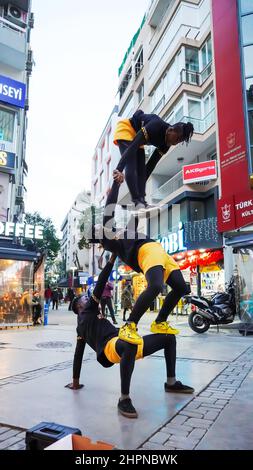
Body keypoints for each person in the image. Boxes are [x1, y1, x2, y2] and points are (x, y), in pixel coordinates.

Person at [65, 256, 194, 418]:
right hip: (111, 348)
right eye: (85, 297)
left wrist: (75, 382)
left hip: (123, 341)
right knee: (128, 344)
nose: (88, 297)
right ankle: (124, 399)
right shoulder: (88, 310)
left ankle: (171, 383)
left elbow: (78, 354)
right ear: (79, 306)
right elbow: (101, 282)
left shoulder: (81, 328)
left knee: (168, 338)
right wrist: (112, 259)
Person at [91, 175, 190, 345]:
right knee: (156, 286)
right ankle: (129, 325)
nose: (99, 225)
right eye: (97, 227)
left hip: (160, 251)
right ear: (99, 236)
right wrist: (116, 185)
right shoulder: (110, 240)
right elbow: (110, 208)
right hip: (146, 252)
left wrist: (136, 189)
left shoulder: (125, 231)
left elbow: (136, 214)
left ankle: (160, 322)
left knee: (181, 287)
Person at [113, 109, 194, 209]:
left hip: (137, 137)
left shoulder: (166, 145)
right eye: (177, 139)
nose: (175, 143)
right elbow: (132, 147)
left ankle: (139, 202)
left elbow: (150, 166)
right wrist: (119, 169)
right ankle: (137, 201)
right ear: (170, 130)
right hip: (127, 128)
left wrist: (140, 194)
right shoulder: (155, 126)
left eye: (179, 142)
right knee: (132, 166)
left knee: (142, 171)